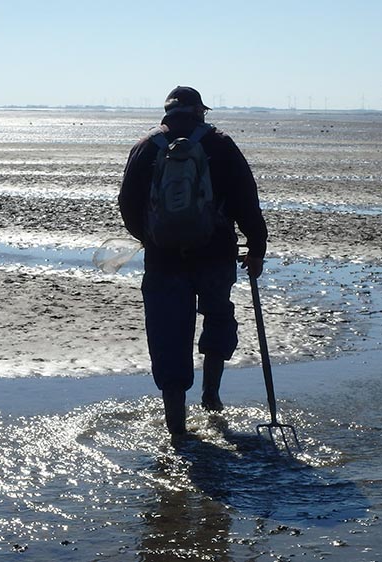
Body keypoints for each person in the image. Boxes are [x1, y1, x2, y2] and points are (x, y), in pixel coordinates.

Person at [118, 86, 268, 437]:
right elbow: (246, 198)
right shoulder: (220, 144)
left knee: (168, 333)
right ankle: (211, 396)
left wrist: (151, 237)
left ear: (167, 113)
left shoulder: (145, 147)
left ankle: (176, 427)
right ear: (200, 112)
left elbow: (127, 204)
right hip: (215, 254)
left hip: (163, 260)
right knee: (217, 317)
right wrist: (256, 247)